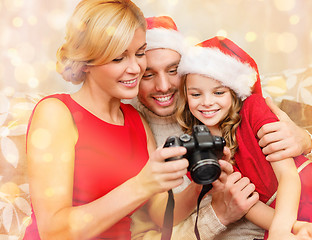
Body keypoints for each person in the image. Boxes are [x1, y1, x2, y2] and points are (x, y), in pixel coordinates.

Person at [130, 16, 312, 240]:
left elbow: (292, 169)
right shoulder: (141, 131)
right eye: (148, 75)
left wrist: (306, 140)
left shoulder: (248, 110)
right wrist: (218, 212)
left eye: (172, 70)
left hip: (307, 202)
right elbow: (246, 202)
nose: (162, 86)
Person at [23, 1, 200, 239]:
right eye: (119, 59)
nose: (136, 68)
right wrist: (141, 185)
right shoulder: (56, 112)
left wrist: (203, 183)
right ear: (86, 62)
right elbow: (54, 231)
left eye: (139, 54)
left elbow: (160, 213)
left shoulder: (135, 121)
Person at [176, 35, 312, 240]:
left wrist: (281, 229)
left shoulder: (253, 108)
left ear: (234, 92)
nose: (207, 102)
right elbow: (248, 205)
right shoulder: (200, 151)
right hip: (279, 216)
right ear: (185, 95)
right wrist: (293, 227)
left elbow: (287, 176)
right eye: (196, 94)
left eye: (218, 93)